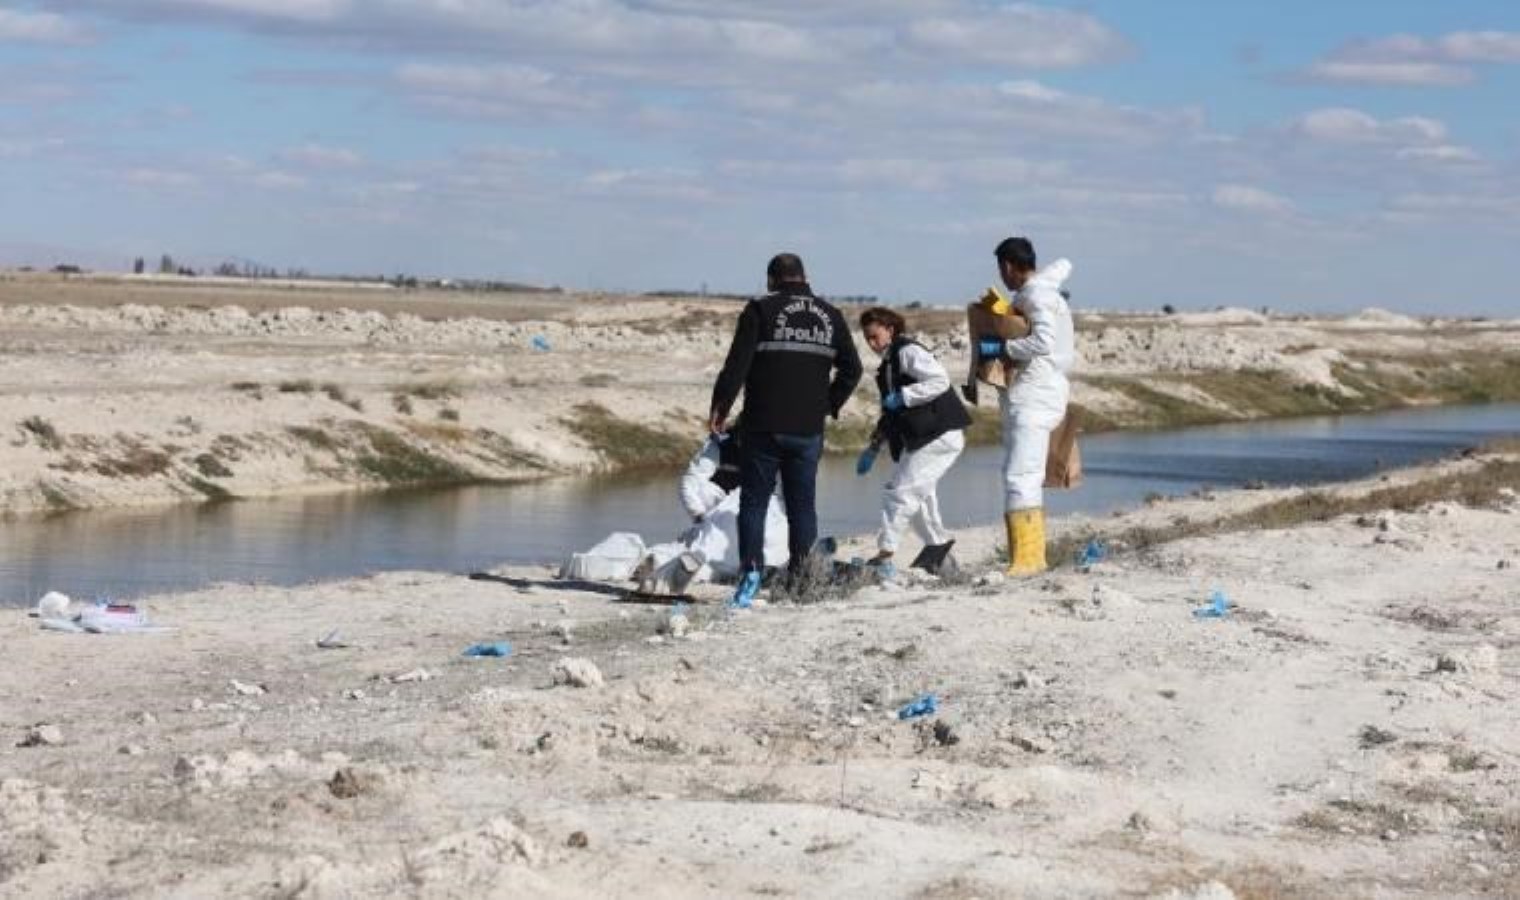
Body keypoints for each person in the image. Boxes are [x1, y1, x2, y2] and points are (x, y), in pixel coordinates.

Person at [709, 253, 863, 607]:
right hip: (808, 429)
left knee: (754, 503)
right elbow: (852, 370)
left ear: (771, 280)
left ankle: (750, 575)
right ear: (805, 276)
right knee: (802, 507)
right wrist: (827, 405)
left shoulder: (759, 311)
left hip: (762, 425)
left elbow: (736, 366)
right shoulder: (831, 315)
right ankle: (802, 579)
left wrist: (720, 408)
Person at [976, 237, 1074, 575]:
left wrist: (1005, 349)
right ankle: (1027, 557)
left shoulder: (1036, 295)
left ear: (1007, 266)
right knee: (1022, 473)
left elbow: (1043, 341)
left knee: (1022, 476)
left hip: (1034, 396)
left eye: (1000, 268)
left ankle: (1028, 560)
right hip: (1040, 392)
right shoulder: (1041, 292)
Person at [855, 307, 970, 577]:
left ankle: (885, 555)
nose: (872, 343)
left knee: (900, 492)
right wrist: (874, 447)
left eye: (875, 336)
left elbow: (939, 380)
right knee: (920, 495)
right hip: (924, 438)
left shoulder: (907, 352)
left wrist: (905, 395)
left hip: (939, 434)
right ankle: (938, 550)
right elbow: (890, 412)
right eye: (867, 338)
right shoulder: (888, 367)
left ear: (890, 330)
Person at [673, 420, 789, 577]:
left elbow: (786, 491)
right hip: (719, 511)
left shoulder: (776, 449)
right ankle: (705, 550)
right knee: (703, 490)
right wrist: (699, 517)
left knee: (775, 527)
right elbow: (689, 482)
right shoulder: (719, 445)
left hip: (761, 505)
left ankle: (766, 565)